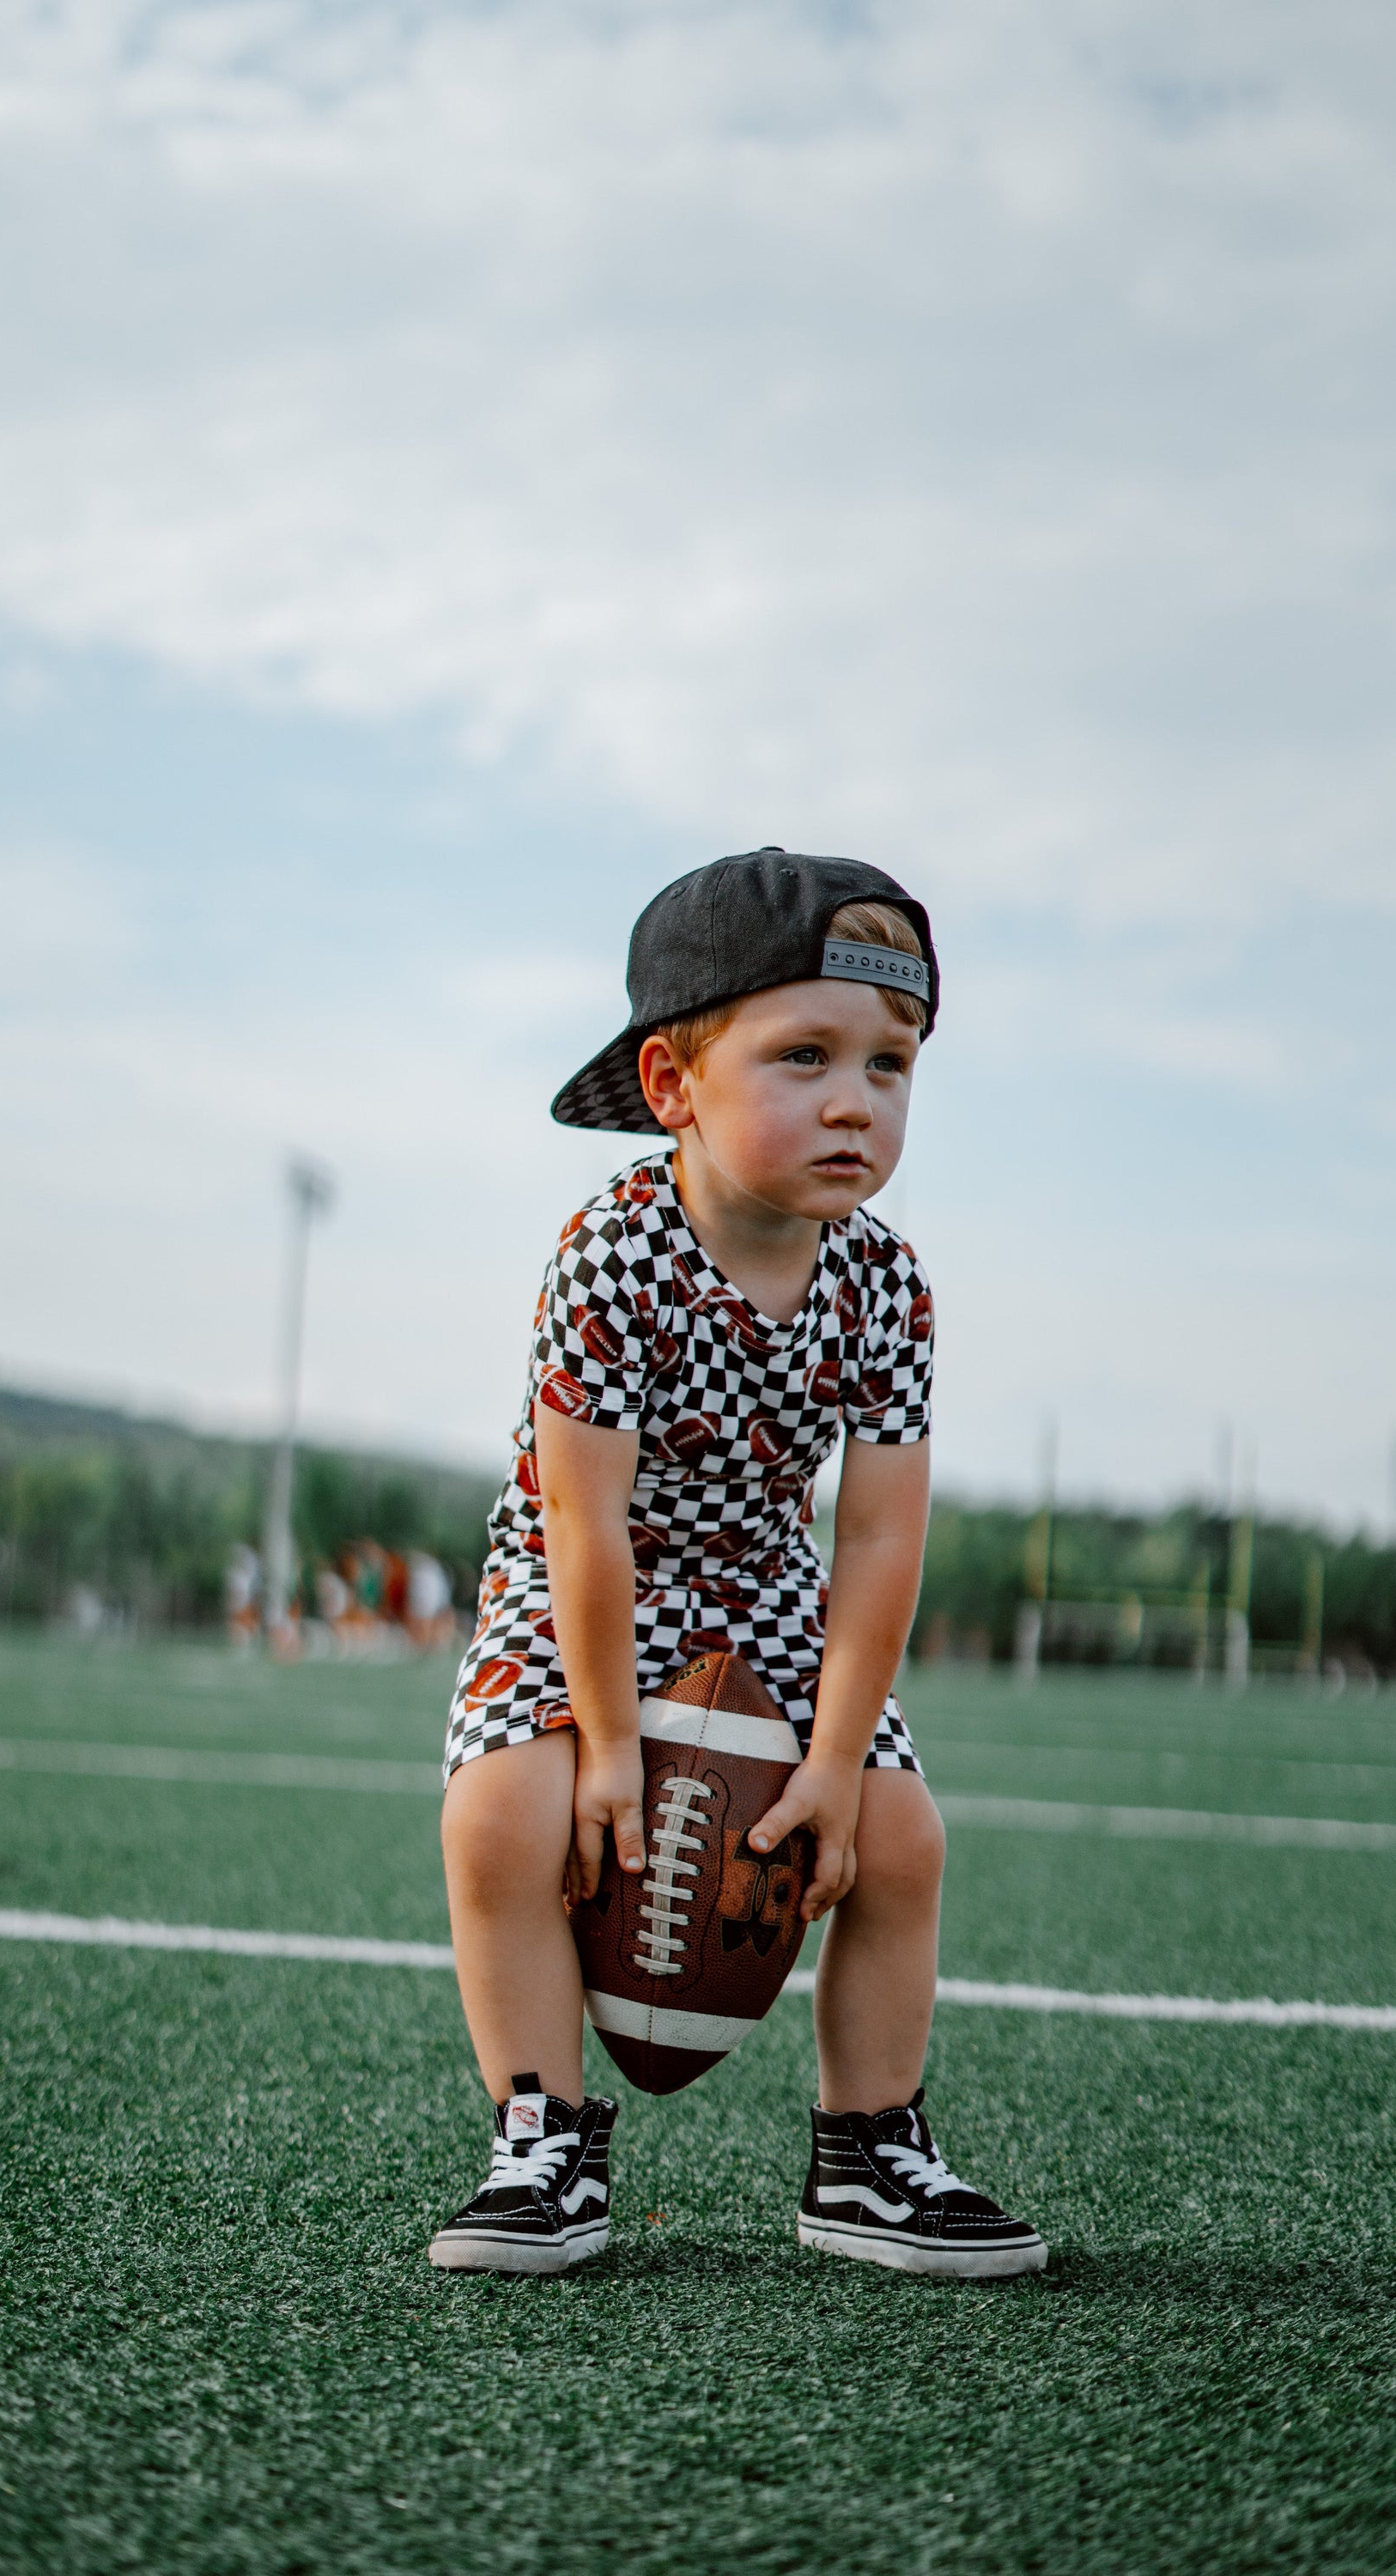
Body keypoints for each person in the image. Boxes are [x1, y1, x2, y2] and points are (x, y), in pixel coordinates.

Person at [429, 848, 1044, 2278]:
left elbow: (880, 1533)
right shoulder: (613, 1253)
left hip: (767, 1579)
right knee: (503, 1818)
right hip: (590, 1579)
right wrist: (605, 1749)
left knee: (900, 1839)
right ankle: (543, 2137)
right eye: (805, 1056)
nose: (855, 1100)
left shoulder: (886, 1282)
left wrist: (833, 1765)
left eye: (891, 1065)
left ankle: (869, 2149)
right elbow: (585, 1524)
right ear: (671, 1087)